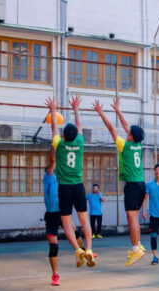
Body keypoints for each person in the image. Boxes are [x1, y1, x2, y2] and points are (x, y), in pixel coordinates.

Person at [46, 95, 95, 268]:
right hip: (79, 187)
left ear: (64, 136)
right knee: (84, 221)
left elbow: (53, 127)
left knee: (67, 224)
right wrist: (75, 108)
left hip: (65, 188)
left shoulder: (59, 144)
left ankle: (77, 250)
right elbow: (79, 125)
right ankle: (88, 249)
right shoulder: (80, 142)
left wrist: (53, 110)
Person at [94, 97, 145, 256]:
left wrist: (101, 112)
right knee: (134, 218)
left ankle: (136, 249)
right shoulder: (138, 144)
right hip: (141, 184)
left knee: (132, 219)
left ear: (130, 136)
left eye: (129, 133)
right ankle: (139, 245)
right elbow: (126, 127)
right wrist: (117, 110)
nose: (127, 132)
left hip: (133, 186)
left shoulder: (125, 145)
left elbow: (111, 128)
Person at [43, 152, 62, 286]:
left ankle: (85, 251)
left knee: (74, 231)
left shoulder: (60, 180)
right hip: (51, 215)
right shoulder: (48, 178)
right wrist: (56, 149)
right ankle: (55, 275)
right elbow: (52, 163)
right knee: (54, 247)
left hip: (62, 213)